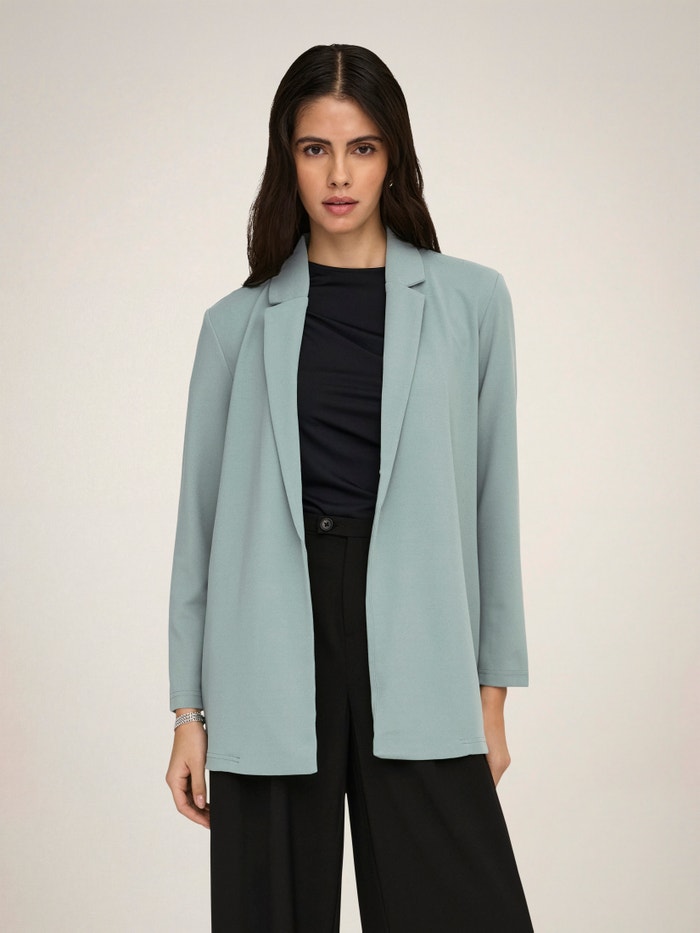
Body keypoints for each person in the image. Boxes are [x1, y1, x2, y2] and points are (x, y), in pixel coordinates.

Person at [166, 43, 534, 932]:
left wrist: (492, 695)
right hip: (268, 637)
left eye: (362, 148)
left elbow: (494, 504)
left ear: (392, 156)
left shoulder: (472, 302)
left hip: (419, 629)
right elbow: (201, 528)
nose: (339, 175)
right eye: (315, 149)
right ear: (285, 159)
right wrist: (188, 712)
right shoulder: (234, 325)